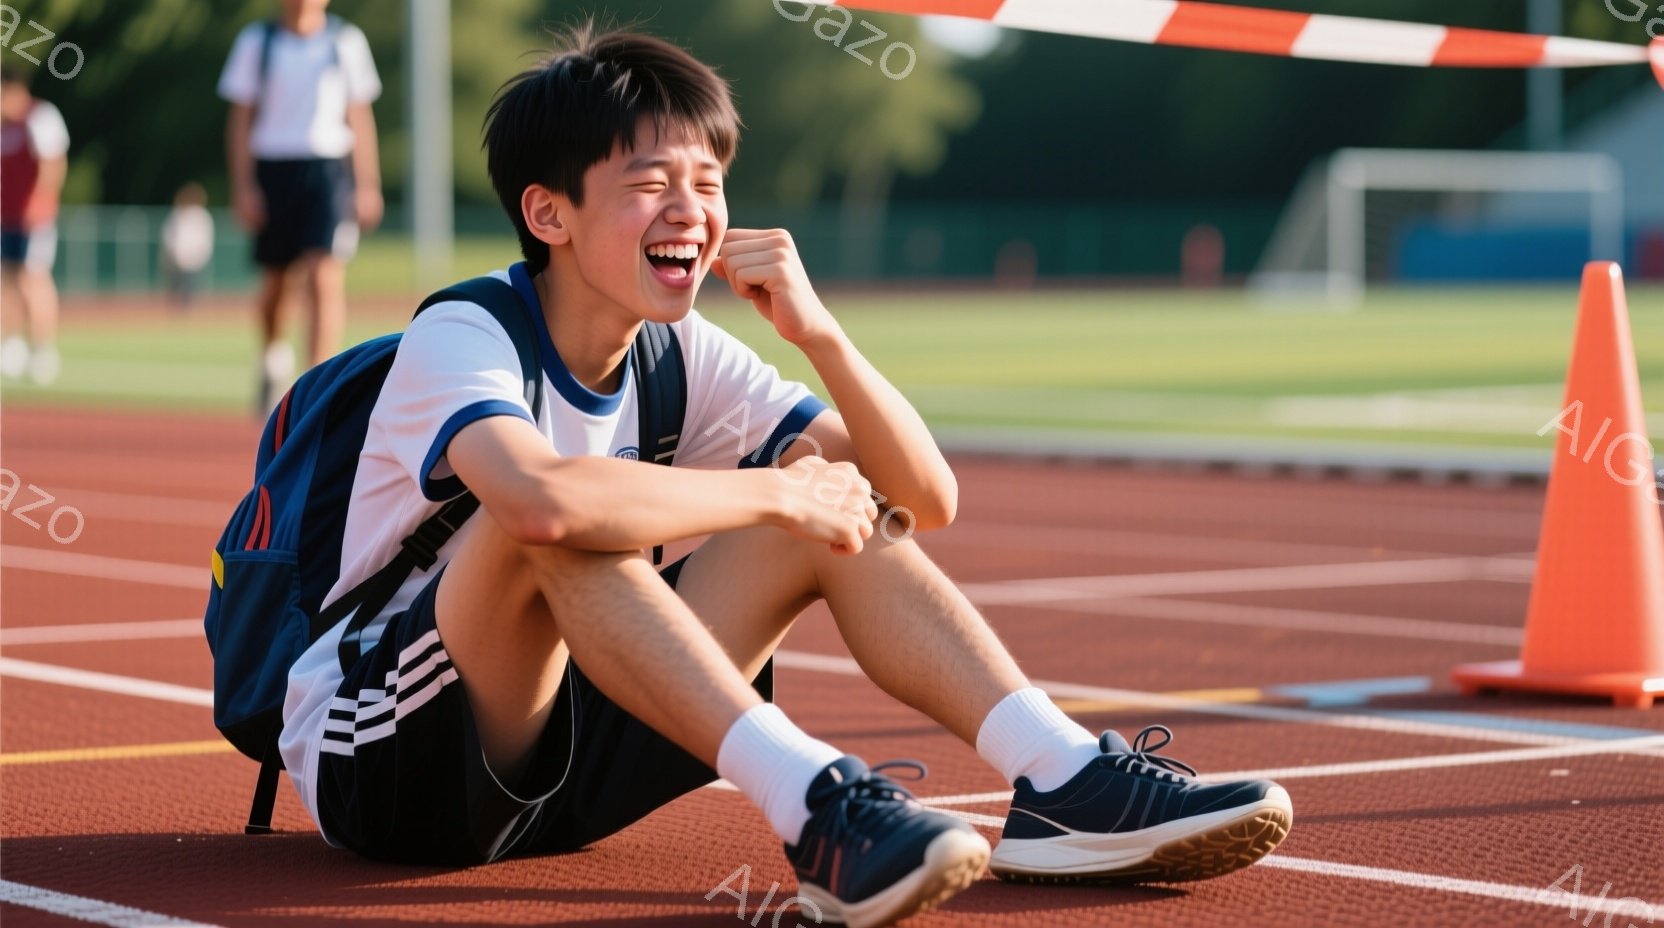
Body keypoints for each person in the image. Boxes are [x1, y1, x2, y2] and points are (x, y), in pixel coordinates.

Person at [276, 27, 1292, 927]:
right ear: (548, 214)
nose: (691, 209)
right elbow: (543, 501)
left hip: (566, 765)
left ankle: (1058, 778)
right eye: (649, 182)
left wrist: (821, 335)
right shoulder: (467, 330)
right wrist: (775, 489)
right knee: (557, 520)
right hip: (390, 759)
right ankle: (821, 810)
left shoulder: (681, 352)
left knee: (829, 509)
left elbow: (919, 502)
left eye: (708, 182)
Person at [217, 0, 382, 411]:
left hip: (327, 170)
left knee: (324, 273)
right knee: (276, 280)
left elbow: (359, 115)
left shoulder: (346, 41)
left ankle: (316, 386)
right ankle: (272, 359)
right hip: (273, 168)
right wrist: (244, 185)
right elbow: (240, 119)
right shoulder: (257, 42)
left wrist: (367, 184)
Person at [0, 64, 69, 386]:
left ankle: (43, 349)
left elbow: (52, 162)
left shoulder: (40, 115)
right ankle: (11, 344)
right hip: (6, 217)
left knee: (33, 278)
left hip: (34, 219)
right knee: (7, 280)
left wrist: (40, 204)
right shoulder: (3, 126)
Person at [161, 183, 215, 308]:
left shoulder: (201, 215)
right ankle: (177, 305)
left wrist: (200, 252)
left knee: (189, 285)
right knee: (176, 284)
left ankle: (186, 306)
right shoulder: (177, 215)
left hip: (193, 257)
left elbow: (204, 237)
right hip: (177, 256)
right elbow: (169, 235)